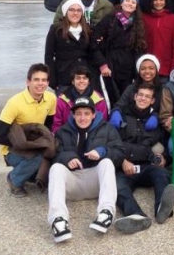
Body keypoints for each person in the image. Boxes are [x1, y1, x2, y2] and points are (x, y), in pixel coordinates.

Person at [48, 96, 124, 243]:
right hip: (72, 183)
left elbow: (120, 153)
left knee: (107, 163)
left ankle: (106, 212)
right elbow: (52, 155)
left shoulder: (107, 128)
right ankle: (58, 220)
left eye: (87, 113)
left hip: (94, 181)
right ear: (73, 115)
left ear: (94, 114)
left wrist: (102, 151)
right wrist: (67, 158)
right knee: (56, 168)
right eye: (79, 113)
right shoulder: (63, 131)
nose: (83, 118)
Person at [114, 83, 174, 234]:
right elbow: (111, 143)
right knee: (117, 188)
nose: (143, 98)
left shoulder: (156, 122)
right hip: (125, 166)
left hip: (148, 166)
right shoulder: (121, 115)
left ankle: (162, 208)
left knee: (162, 175)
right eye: (140, 95)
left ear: (152, 101)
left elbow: (164, 145)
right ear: (135, 96)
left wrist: (164, 159)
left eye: (147, 96)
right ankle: (136, 216)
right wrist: (122, 160)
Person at [0, 63, 57, 198]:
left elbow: (48, 125)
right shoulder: (15, 103)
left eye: (44, 80)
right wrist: (24, 144)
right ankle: (14, 179)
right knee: (39, 159)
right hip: (12, 149)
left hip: (34, 143)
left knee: (52, 155)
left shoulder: (51, 99)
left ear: (48, 82)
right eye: (36, 80)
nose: (40, 84)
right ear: (28, 81)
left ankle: (29, 174)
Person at [91, 0, 147, 104]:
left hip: (127, 69)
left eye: (133, 2)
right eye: (127, 0)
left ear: (136, 7)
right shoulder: (109, 19)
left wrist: (137, 71)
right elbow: (93, 42)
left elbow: (139, 49)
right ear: (121, 3)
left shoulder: (138, 24)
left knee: (125, 99)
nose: (129, 4)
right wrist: (102, 64)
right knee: (110, 98)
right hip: (109, 66)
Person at [45, 0, 93, 91]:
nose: (75, 13)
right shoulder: (56, 29)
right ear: (66, 12)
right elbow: (49, 56)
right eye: (71, 10)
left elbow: (92, 54)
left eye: (78, 10)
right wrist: (52, 80)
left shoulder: (87, 30)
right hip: (64, 77)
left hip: (84, 78)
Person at [52, 65, 108, 133]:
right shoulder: (62, 100)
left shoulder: (99, 100)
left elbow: (102, 124)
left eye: (84, 78)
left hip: (92, 136)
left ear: (89, 81)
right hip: (68, 136)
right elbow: (56, 125)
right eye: (78, 78)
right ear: (73, 81)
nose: (81, 81)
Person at [141, 0, 174, 81]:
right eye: (155, 0)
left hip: (166, 69)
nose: (158, 2)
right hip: (148, 68)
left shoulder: (173, 18)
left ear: (165, 1)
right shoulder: (144, 18)